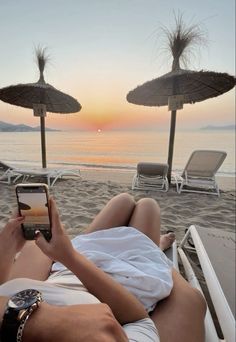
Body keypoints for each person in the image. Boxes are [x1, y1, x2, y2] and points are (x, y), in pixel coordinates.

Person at [0, 193, 206, 341]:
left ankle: (153, 246)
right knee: (147, 205)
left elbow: (17, 274)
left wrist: (7, 248)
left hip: (69, 269)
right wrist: (69, 256)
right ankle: (156, 247)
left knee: (123, 201)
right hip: (129, 280)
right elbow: (140, 319)